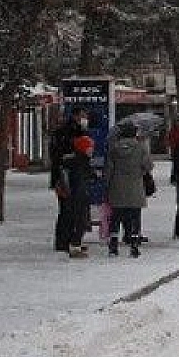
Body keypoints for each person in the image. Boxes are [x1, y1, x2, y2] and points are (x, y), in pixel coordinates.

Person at [103, 120, 154, 257]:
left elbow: (108, 170)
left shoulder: (113, 148)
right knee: (135, 217)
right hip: (135, 187)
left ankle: (113, 245)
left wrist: (107, 186)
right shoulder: (141, 148)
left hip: (117, 187)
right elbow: (149, 166)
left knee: (115, 217)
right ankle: (134, 245)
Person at [50, 108, 95, 257]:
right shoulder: (69, 133)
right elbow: (59, 157)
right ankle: (66, 241)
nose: (85, 119)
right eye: (83, 116)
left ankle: (67, 241)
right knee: (69, 212)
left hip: (65, 179)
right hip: (67, 181)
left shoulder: (72, 132)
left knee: (68, 212)